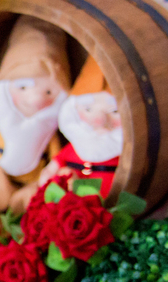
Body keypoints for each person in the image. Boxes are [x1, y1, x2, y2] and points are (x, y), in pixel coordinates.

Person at [0, 15, 70, 214]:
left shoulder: (47, 127)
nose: (36, 98)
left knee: (41, 188)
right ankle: (2, 195)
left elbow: (56, 156)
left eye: (48, 92)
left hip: (32, 176)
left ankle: (25, 198)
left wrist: (53, 169)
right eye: (23, 88)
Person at [36, 56, 123, 194]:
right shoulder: (76, 146)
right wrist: (49, 175)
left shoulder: (119, 151)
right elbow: (55, 165)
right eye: (88, 109)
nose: (99, 119)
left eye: (114, 111)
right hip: (71, 201)